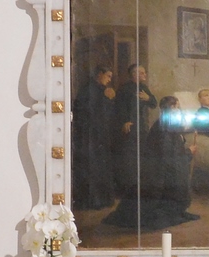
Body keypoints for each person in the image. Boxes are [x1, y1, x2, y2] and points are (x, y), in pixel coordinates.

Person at [103, 95, 198, 231]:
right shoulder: (163, 126)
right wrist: (188, 151)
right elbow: (168, 155)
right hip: (159, 173)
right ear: (167, 109)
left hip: (163, 169)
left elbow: (176, 142)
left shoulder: (168, 123)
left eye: (178, 106)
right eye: (174, 107)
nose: (177, 110)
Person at [70, 66, 118, 210]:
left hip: (99, 136)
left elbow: (107, 113)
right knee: (91, 168)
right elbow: (89, 112)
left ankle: (102, 199)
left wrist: (109, 99)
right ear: (100, 74)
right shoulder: (89, 90)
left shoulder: (101, 90)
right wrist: (106, 98)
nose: (109, 80)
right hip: (89, 136)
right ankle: (92, 201)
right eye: (108, 76)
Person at [112, 63, 157, 198]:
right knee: (129, 158)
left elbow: (154, 103)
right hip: (129, 126)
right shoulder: (124, 89)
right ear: (134, 75)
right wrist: (124, 121)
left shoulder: (143, 88)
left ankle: (139, 188)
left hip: (141, 126)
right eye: (142, 73)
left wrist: (148, 98)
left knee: (141, 156)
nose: (144, 75)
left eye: (144, 73)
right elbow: (119, 108)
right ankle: (127, 189)